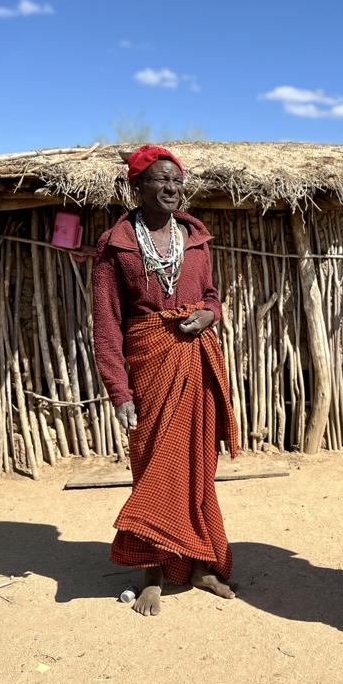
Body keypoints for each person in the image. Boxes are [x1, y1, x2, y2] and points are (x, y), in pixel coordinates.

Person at [93, 145, 239, 616]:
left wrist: (207, 315)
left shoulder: (195, 240)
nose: (173, 188)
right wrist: (118, 389)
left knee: (197, 466)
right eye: (162, 180)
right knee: (152, 464)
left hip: (195, 363)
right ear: (137, 187)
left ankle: (198, 565)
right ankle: (152, 571)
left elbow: (213, 296)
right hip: (150, 366)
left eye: (178, 181)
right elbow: (106, 324)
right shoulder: (115, 246)